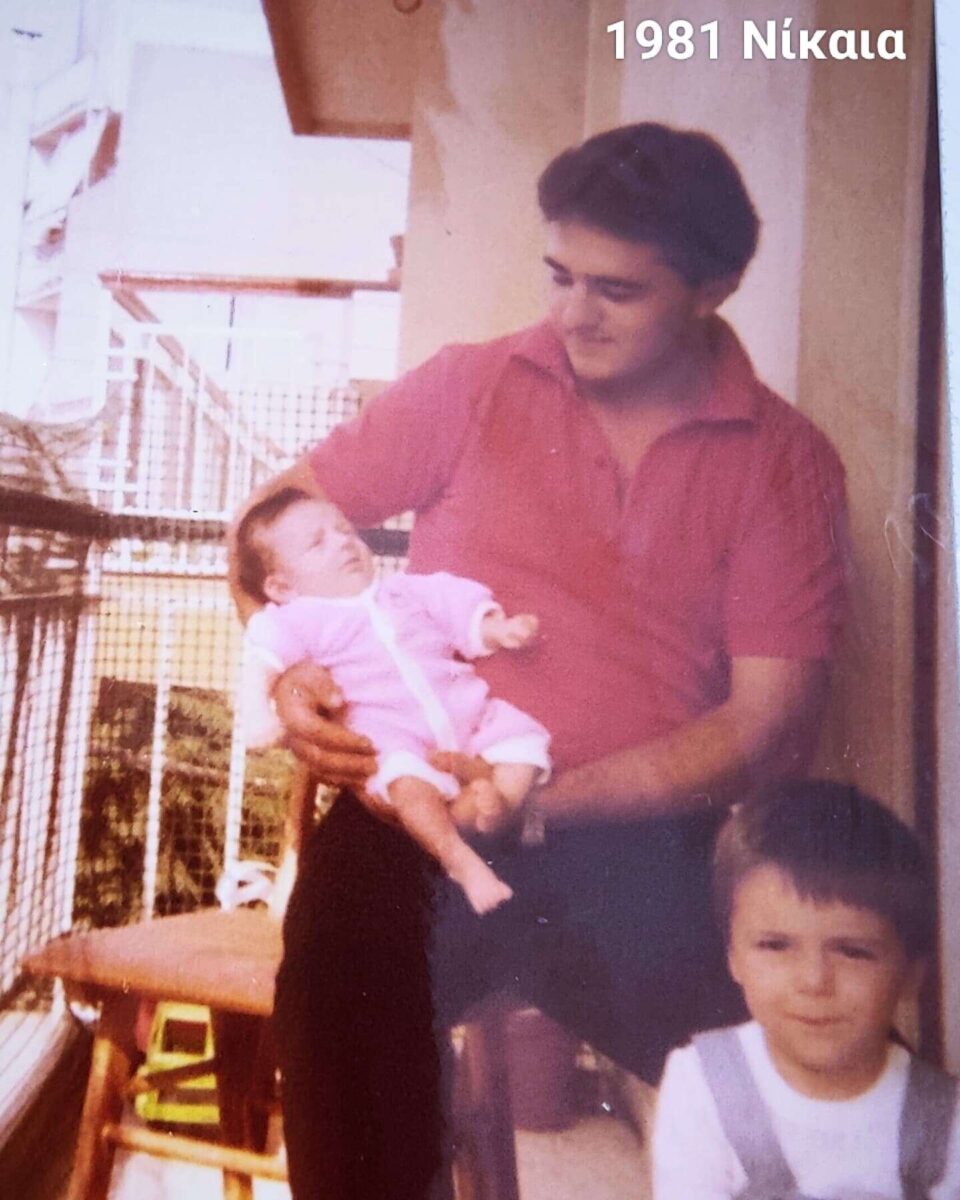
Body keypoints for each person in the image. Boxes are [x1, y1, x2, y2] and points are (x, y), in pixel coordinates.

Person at [228, 123, 850, 1199]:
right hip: (420, 818)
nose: (572, 314)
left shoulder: (786, 462)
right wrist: (289, 680)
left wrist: (543, 806)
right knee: (339, 990)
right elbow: (265, 523)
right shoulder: (471, 385)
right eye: (560, 275)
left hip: (645, 846)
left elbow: (768, 721)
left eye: (616, 290)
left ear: (714, 287)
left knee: (815, 1102)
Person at [235, 487, 550, 914]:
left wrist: (496, 628)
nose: (343, 542)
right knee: (406, 786)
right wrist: (259, 714)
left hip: (470, 716)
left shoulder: (403, 591)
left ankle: (501, 809)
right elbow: (261, 660)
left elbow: (453, 602)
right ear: (281, 586)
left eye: (345, 531)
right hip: (397, 740)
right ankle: (461, 860)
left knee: (522, 741)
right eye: (317, 543)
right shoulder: (297, 620)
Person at [652, 780, 959, 1199]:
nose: (814, 981)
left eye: (853, 952)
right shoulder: (705, 1084)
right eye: (776, 946)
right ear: (733, 957)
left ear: (911, 974)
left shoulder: (943, 1120)